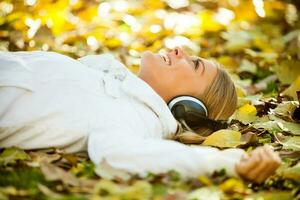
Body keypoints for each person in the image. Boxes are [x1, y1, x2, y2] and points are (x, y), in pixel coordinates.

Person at [0, 47, 281, 183]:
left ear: (188, 107)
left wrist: (226, 162)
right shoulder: (118, 85)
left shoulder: (137, 119)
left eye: (194, 64)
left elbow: (123, 154)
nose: (178, 50)